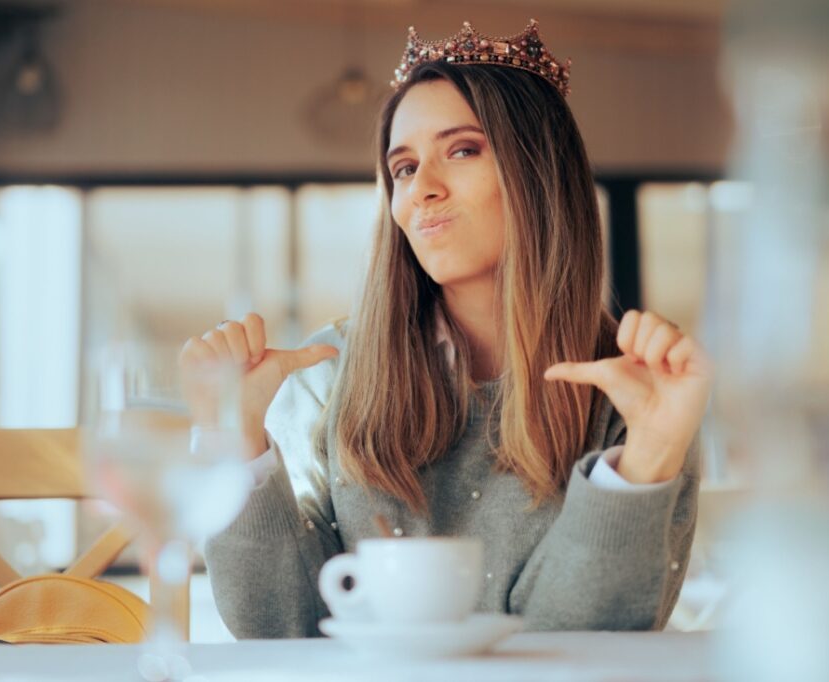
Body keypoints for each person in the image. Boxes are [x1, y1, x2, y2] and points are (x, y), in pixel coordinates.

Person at [187, 19, 712, 638]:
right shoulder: (326, 372)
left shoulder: (637, 393)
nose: (422, 191)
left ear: (538, 171)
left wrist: (647, 460)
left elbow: (582, 648)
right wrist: (237, 441)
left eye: (462, 150)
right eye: (403, 168)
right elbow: (280, 631)